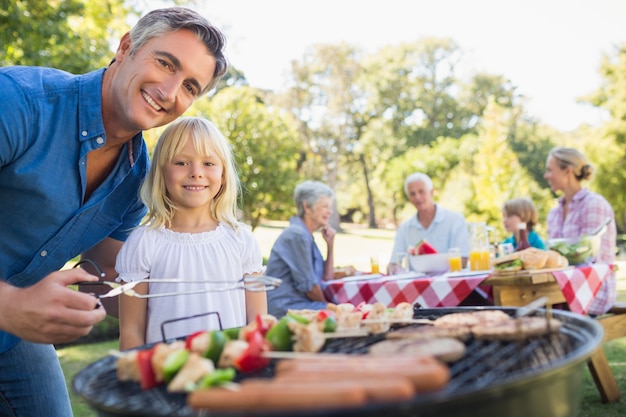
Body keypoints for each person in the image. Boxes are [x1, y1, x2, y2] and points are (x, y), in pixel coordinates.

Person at [0, 7, 228, 416]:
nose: (171, 91)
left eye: (191, 86)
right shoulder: (19, 102)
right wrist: (9, 306)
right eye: (165, 63)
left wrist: (200, 289)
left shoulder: (136, 178)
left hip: (14, 335)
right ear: (126, 47)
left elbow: (108, 279)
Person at [117, 117, 266, 350]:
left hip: (229, 376)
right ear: (161, 172)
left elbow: (257, 326)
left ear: (224, 174)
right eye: (182, 163)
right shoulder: (143, 243)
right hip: (166, 378)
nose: (196, 173)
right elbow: (131, 332)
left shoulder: (241, 240)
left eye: (208, 163)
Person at [544, 147, 617, 315]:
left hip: (591, 292)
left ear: (567, 171)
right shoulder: (554, 212)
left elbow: (594, 259)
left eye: (550, 170)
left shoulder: (594, 204)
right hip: (560, 291)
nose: (546, 176)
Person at [265, 181, 336, 318]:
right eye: (325, 206)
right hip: (286, 307)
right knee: (342, 313)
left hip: (300, 303)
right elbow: (310, 288)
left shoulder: (306, 235)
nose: (330, 211)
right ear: (307, 207)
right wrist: (329, 307)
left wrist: (330, 246)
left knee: (345, 310)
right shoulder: (297, 235)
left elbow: (327, 278)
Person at [387, 173, 470, 274]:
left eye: (421, 191)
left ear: (431, 192)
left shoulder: (455, 220)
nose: (417, 197)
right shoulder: (404, 228)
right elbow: (393, 263)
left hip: (451, 284)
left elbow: (463, 260)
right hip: (417, 287)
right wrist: (393, 269)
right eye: (412, 194)